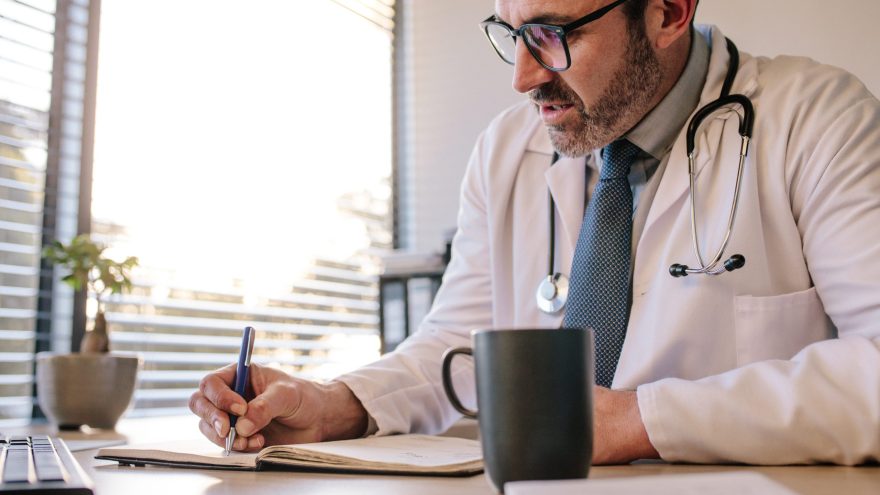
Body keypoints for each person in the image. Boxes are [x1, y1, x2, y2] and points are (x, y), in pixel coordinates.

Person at [189, 0, 880, 465]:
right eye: (512, 34)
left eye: (552, 35)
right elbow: (459, 348)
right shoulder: (505, 151)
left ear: (669, 12)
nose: (523, 78)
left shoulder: (817, 120)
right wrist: (332, 405)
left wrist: (638, 420)